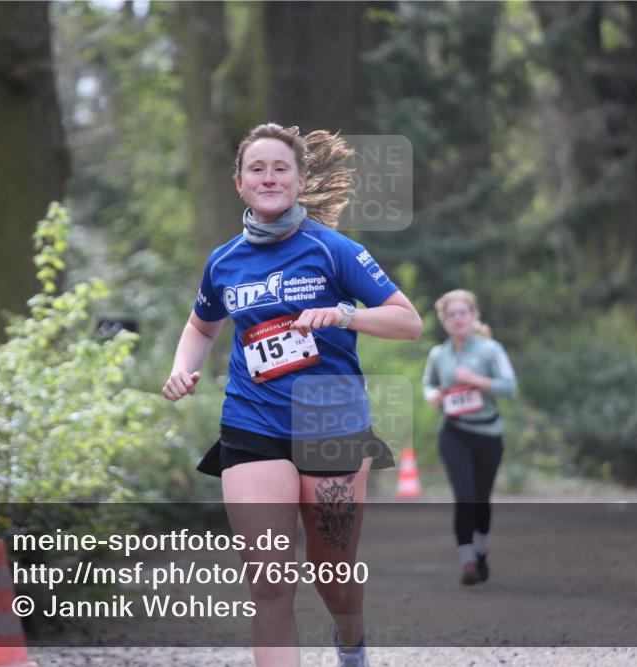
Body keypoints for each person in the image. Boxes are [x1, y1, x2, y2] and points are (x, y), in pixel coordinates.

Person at [162, 123, 422, 667]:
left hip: (332, 428)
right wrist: (183, 370)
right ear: (239, 183)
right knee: (270, 585)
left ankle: (351, 642)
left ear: (301, 180)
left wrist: (346, 314)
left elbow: (408, 322)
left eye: (281, 167)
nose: (269, 177)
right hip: (252, 426)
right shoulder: (224, 261)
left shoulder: (334, 251)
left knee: (335, 578)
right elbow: (202, 326)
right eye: (256, 168)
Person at [422, 289, 517, 586]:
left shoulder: (491, 350)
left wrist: (476, 380)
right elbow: (428, 383)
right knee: (464, 496)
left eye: (463, 312)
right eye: (451, 314)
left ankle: (480, 551)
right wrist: (433, 395)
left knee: (480, 499)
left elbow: (510, 387)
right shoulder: (439, 354)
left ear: (474, 316)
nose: (457, 319)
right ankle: (467, 562)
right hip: (454, 432)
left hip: (488, 433)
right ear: (444, 321)